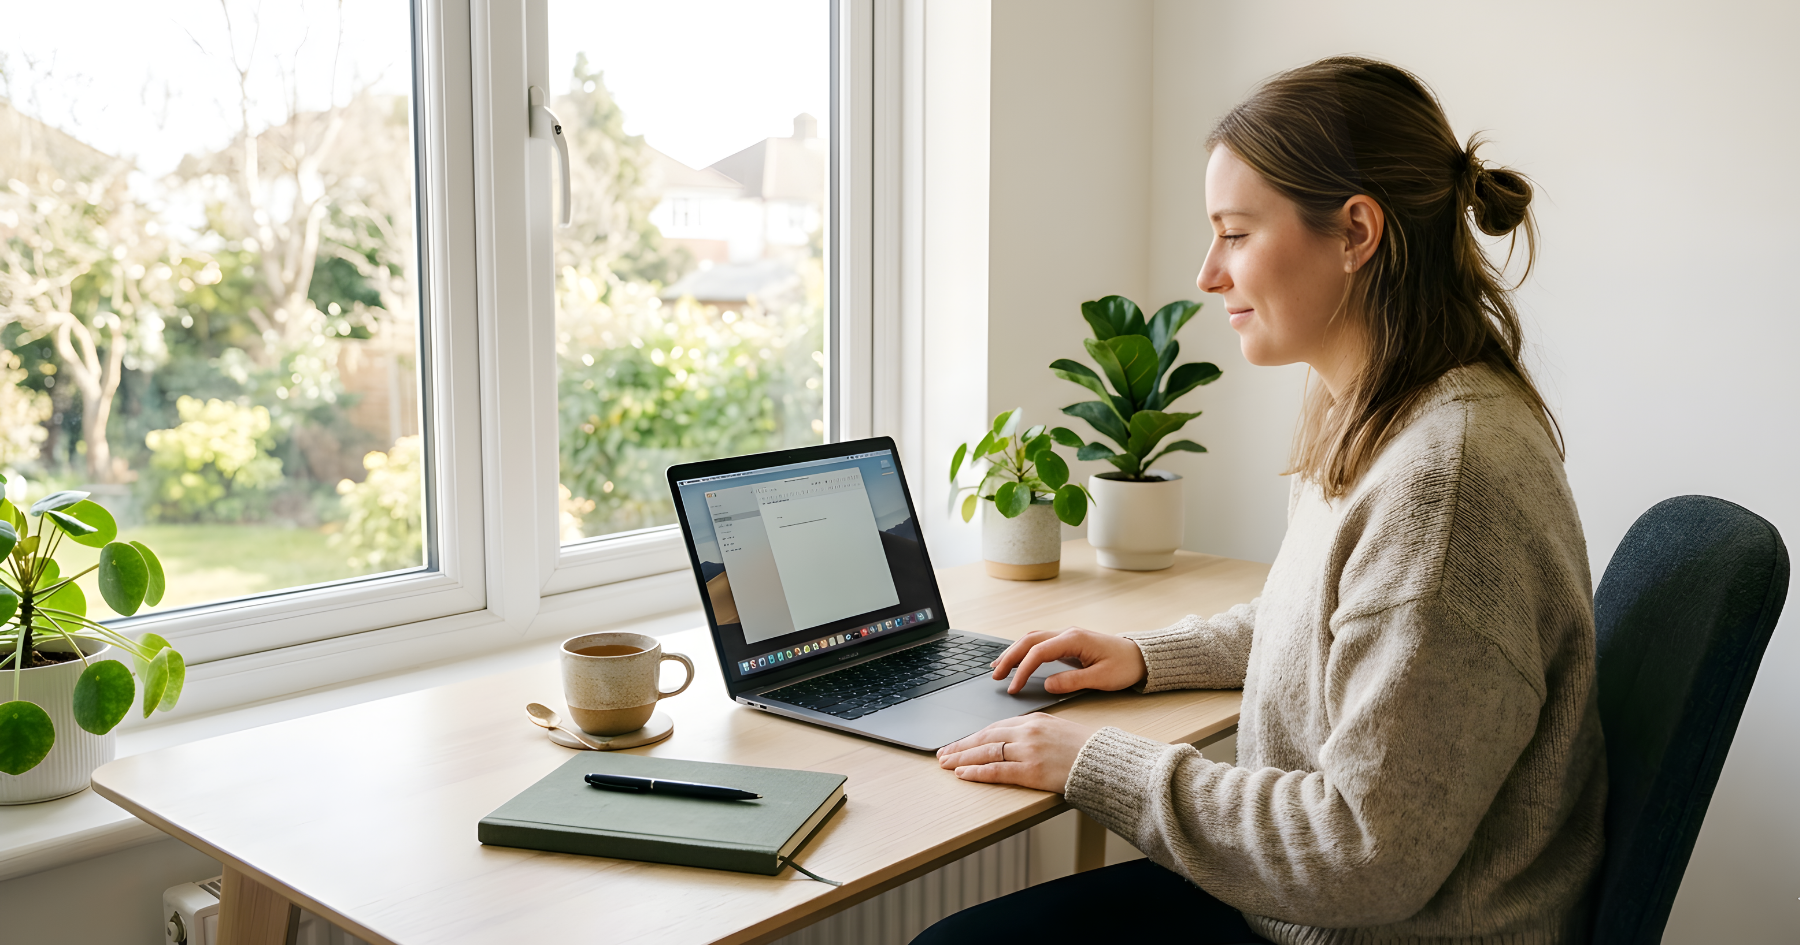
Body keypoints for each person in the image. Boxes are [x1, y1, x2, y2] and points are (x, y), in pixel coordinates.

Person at [913, 56, 1606, 945]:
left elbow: (1364, 849)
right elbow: (1324, 620)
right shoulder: (1380, 404)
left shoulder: (1446, 481)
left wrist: (1095, 760)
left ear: (1356, 232)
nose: (1208, 273)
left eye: (1235, 234)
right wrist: (1144, 654)